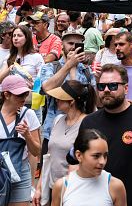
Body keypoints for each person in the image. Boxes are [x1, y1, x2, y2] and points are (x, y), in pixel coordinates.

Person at [79, 64, 132, 206]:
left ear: (126, 88)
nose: (106, 90)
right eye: (101, 86)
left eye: (113, 86)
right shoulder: (89, 122)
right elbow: (81, 164)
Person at [32, 80, 96, 206]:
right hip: (52, 186)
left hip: (75, 190)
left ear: (71, 101)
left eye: (60, 98)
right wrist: (39, 187)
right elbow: (49, 158)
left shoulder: (87, 123)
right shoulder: (57, 120)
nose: (56, 100)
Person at [39, 29, 96, 167]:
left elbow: (91, 100)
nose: (73, 47)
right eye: (70, 43)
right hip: (52, 131)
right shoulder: (50, 67)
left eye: (78, 44)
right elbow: (47, 88)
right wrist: (69, 65)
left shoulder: (87, 71)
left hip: (81, 131)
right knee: (49, 173)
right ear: (62, 45)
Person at [51, 129, 127, 206]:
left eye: (105, 156)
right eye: (96, 156)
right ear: (79, 155)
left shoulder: (115, 186)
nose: (102, 162)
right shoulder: (61, 186)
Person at [0, 75, 41, 206]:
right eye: (20, 95)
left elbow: (36, 151)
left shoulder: (28, 114)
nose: (24, 98)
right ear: (6, 95)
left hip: (20, 172)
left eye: (25, 94)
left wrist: (27, 135)